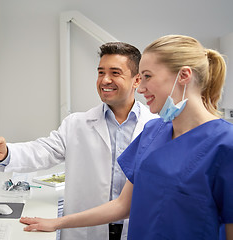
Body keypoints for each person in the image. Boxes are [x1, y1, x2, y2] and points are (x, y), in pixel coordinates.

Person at [19, 35, 233, 240]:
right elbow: (123, 205)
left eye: (147, 76)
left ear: (184, 76)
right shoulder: (153, 132)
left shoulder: (226, 144)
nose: (140, 88)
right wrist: (57, 223)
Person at [0, 42, 158, 240]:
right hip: (85, 231)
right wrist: (6, 153)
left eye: (115, 73)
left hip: (137, 229)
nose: (105, 80)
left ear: (137, 80)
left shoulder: (157, 126)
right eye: (101, 72)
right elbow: (43, 151)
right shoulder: (77, 124)